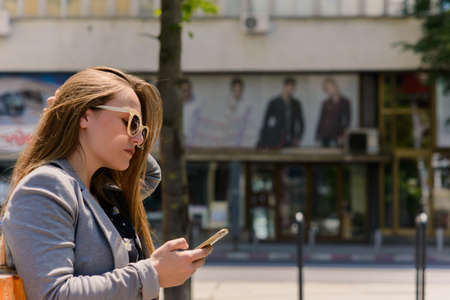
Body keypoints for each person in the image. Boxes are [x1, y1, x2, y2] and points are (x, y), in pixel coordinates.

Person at [0, 67, 212, 300]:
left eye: (141, 130)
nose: (139, 139)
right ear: (85, 116)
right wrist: (151, 273)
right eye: (130, 122)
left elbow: (150, 176)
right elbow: (54, 294)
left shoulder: (102, 192)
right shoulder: (46, 187)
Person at [257, 77, 304, 149]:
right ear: (284, 87)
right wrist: (263, 140)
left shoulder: (296, 104)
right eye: (289, 88)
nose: (290, 91)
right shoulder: (274, 102)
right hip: (276, 139)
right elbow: (266, 122)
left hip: (291, 139)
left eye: (292, 89)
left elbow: (301, 122)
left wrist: (298, 137)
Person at [315, 77, 351, 148]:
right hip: (325, 135)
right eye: (326, 89)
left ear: (334, 86)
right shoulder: (325, 103)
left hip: (338, 135)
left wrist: (343, 135)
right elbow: (321, 120)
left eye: (328, 88)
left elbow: (347, 120)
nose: (327, 91)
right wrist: (318, 136)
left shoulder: (345, 102)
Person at [221, 78, 255, 147]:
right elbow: (224, 123)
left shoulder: (247, 105)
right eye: (235, 90)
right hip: (227, 142)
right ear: (231, 90)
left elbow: (249, 125)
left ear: (242, 90)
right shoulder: (225, 104)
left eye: (239, 90)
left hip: (242, 142)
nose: (237, 93)